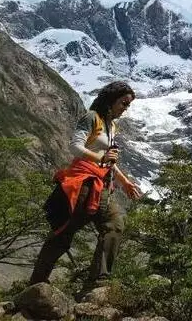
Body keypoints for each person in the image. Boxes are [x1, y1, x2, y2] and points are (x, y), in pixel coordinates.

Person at [31, 81, 142, 287]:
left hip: (102, 186)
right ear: (111, 100)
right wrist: (100, 159)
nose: (125, 108)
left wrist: (124, 182)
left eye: (128, 105)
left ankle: (99, 279)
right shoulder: (92, 118)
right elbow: (75, 146)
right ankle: (37, 283)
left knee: (114, 225)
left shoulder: (112, 125)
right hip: (82, 184)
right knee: (63, 234)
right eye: (123, 103)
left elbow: (107, 159)